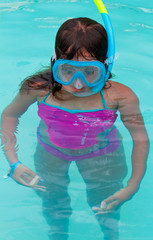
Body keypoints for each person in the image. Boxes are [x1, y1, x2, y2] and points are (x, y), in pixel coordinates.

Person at [0, 7, 149, 240]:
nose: (78, 84)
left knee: (107, 211)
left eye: (90, 72)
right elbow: (9, 116)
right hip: (52, 152)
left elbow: (141, 139)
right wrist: (14, 162)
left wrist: (132, 186)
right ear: (54, 62)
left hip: (102, 155)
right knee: (54, 206)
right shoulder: (39, 89)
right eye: (67, 70)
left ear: (106, 65)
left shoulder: (119, 97)